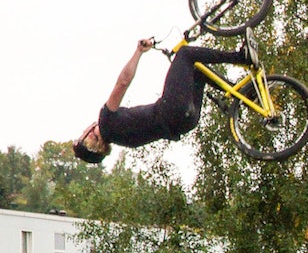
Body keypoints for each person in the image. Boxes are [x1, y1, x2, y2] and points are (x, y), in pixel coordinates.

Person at [73, 32, 260, 163]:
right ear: (89, 135)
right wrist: (138, 52)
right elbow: (123, 82)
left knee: (197, 72)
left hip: (186, 123)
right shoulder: (105, 121)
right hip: (171, 109)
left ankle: (246, 97)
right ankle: (241, 57)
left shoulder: (126, 142)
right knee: (185, 55)